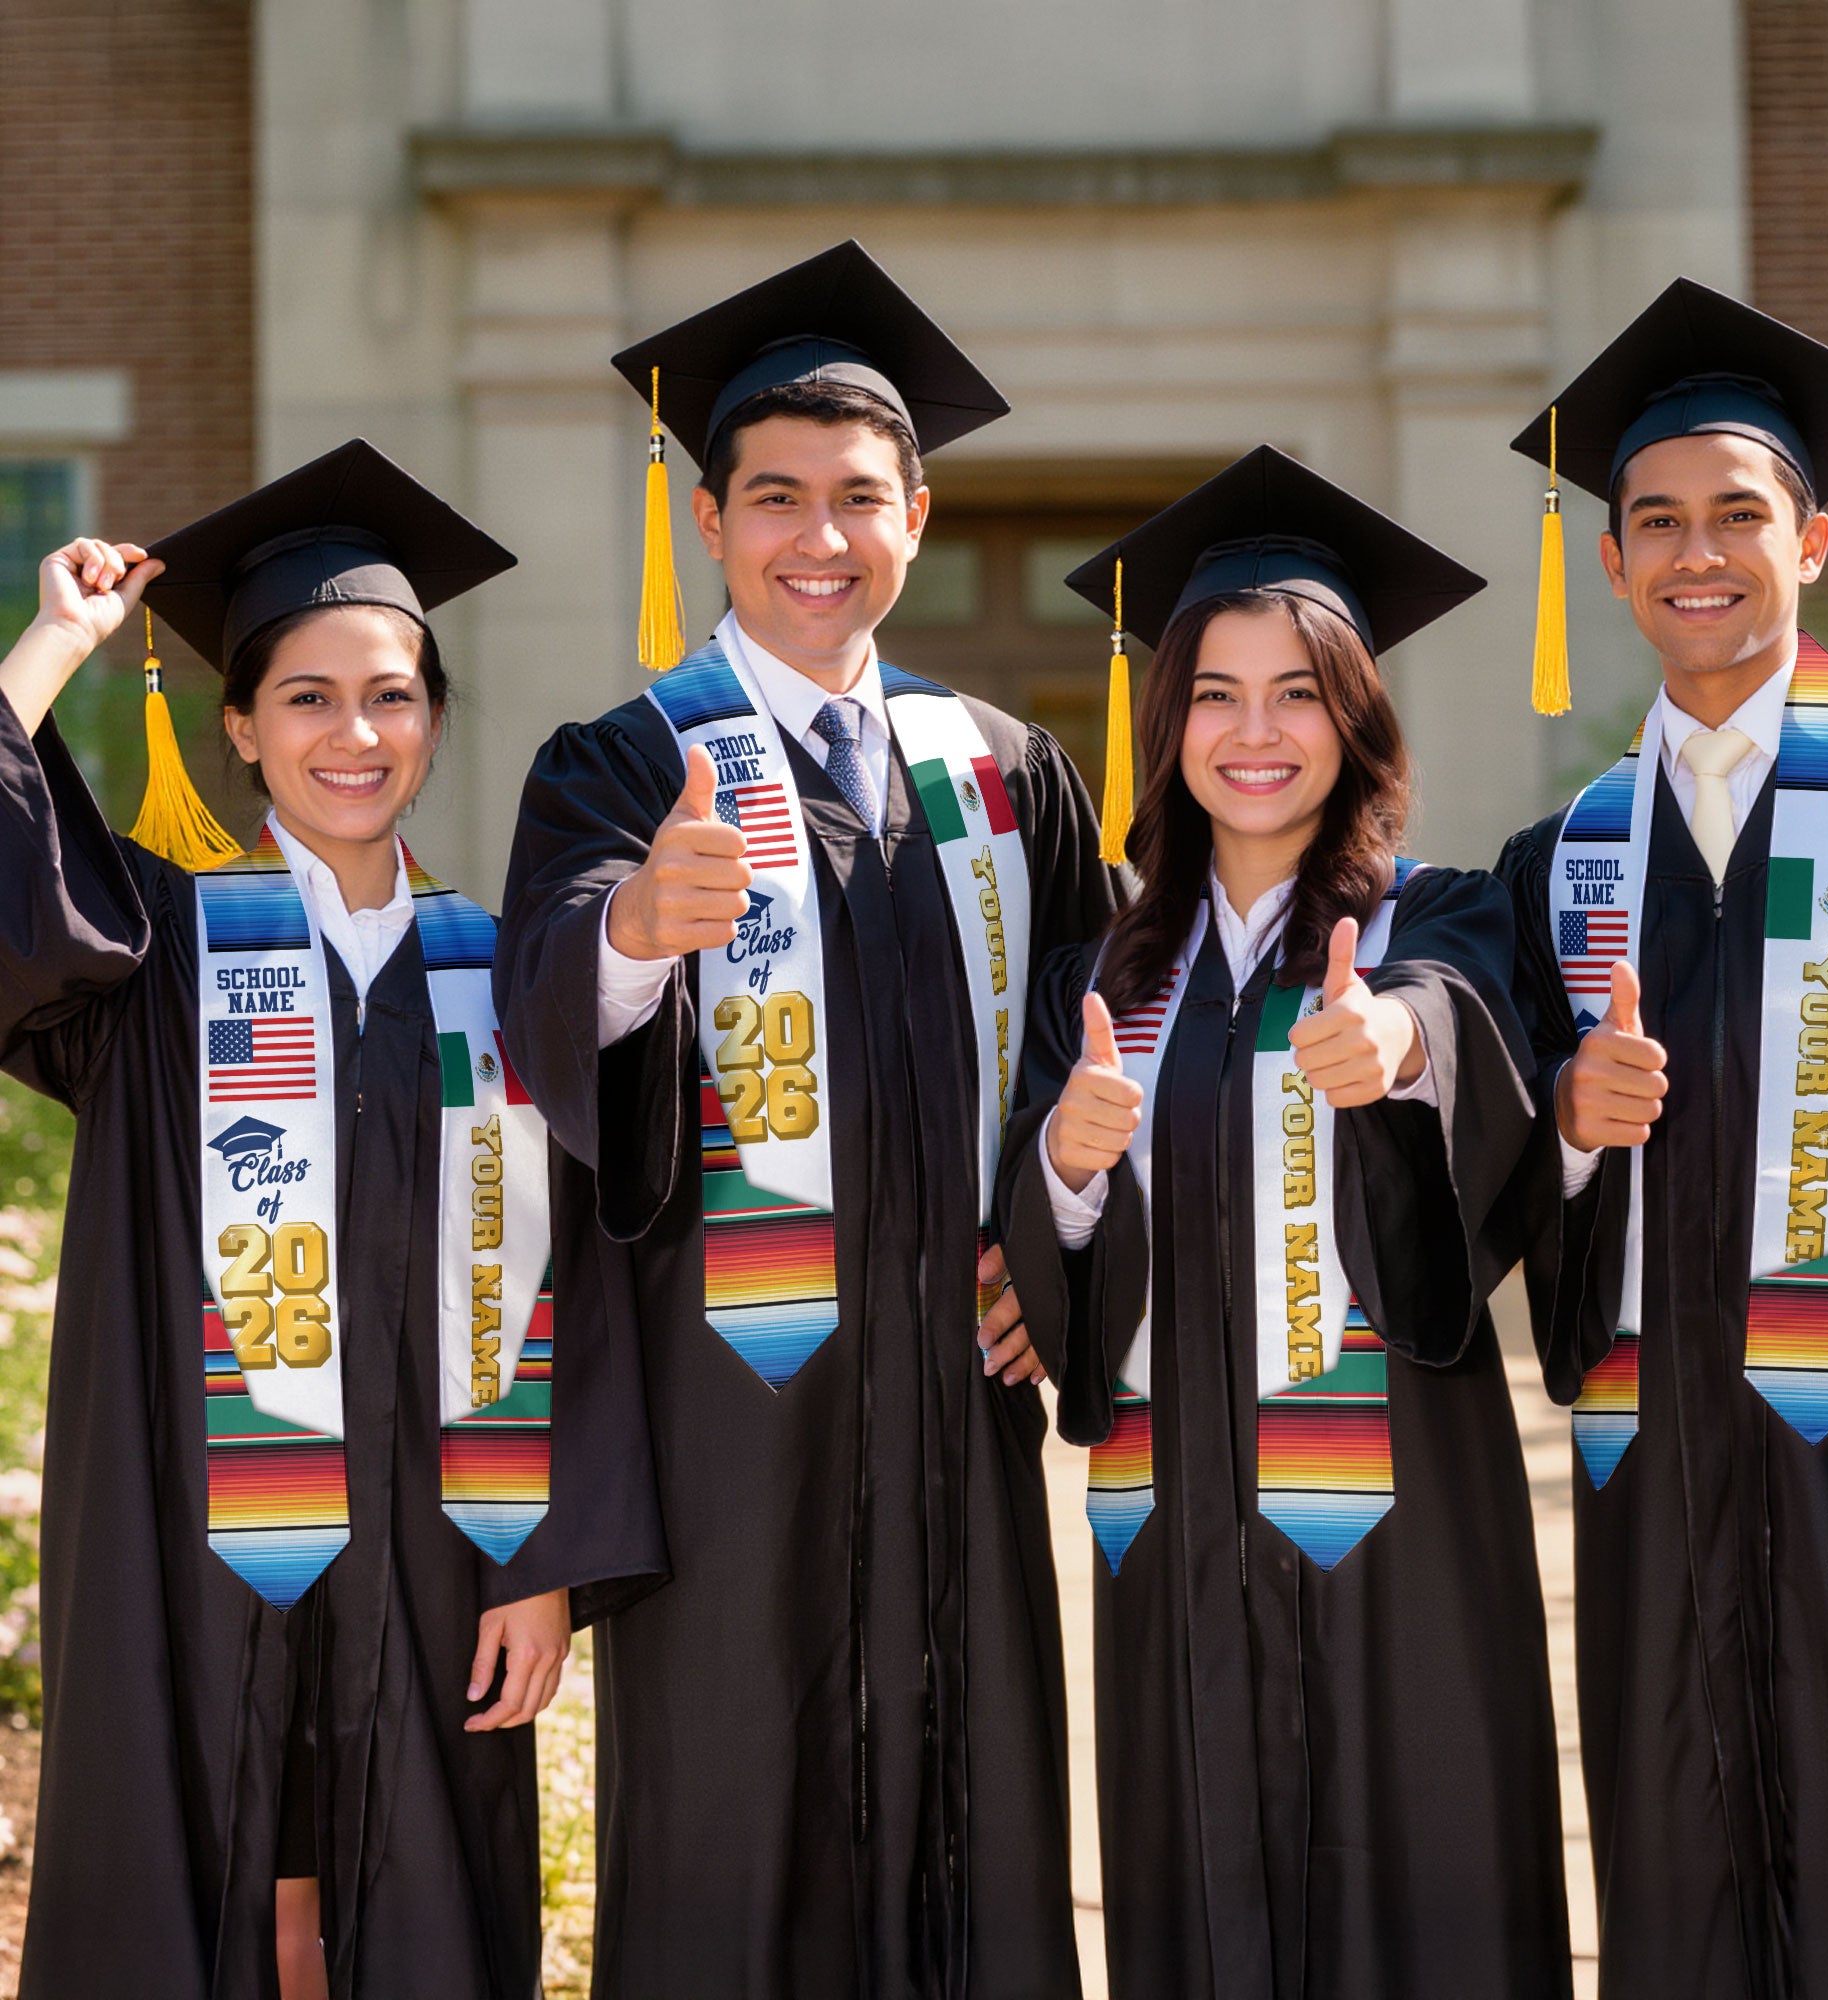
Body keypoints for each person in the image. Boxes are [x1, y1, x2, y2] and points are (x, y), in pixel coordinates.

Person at [493, 241, 1120, 1999]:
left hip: (957, 1405)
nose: (818, 537)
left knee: (973, 1817)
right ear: (710, 521)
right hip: (733, 1414)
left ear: (917, 515)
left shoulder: (1002, 770)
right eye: (775, 498)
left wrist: (1054, 1243)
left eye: (858, 497)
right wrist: (634, 931)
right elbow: (546, 1009)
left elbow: (1102, 1035)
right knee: (736, 1831)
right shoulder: (625, 762)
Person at [0, 440, 663, 2000]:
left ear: (433, 718)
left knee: (419, 1897)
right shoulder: (157, 950)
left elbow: (591, 1285)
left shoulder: (507, 971)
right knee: (202, 1867)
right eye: (306, 697)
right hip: (190, 1534)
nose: (353, 734)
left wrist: (546, 1562)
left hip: (443, 1545)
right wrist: (54, 644)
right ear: (239, 726)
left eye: (391, 696)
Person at [998, 446, 1572, 1999]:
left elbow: (1463, 1026)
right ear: (1167, 723)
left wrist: (1398, 1047)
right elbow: (1045, 1251)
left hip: (1398, 1524)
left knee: (1422, 1896)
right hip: (1174, 1523)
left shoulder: (1436, 916)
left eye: (1299, 694)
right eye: (1216, 694)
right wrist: (1064, 1163)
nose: (1255, 733)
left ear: (1357, 717)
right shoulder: (1103, 976)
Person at [1497, 279, 1828, 1999]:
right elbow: (1494, 1165)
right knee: (1683, 1884)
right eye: (1655, 521)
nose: (1695, 553)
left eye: (1737, 515)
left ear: (1814, 541)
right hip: (1661, 1467)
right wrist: (1565, 1127)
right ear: (1612, 561)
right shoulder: (1568, 857)